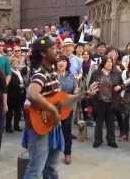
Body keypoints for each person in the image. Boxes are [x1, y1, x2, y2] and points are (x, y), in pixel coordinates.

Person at [22, 36, 97, 179]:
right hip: (41, 128)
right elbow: (32, 94)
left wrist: (84, 94)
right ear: (44, 53)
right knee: (35, 170)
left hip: (52, 126)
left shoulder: (53, 73)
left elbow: (61, 99)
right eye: (53, 48)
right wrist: (52, 110)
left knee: (50, 168)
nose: (57, 51)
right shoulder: (40, 74)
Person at [90, 57, 123, 148]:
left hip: (111, 101)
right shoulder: (96, 73)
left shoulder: (116, 74)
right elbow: (91, 85)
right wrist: (93, 88)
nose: (109, 64)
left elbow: (122, 84)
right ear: (103, 63)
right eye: (108, 62)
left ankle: (111, 140)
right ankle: (98, 140)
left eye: (111, 62)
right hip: (99, 100)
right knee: (99, 122)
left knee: (110, 122)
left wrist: (120, 87)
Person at [56, 55, 77, 165]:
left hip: (67, 108)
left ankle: (67, 153)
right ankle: (50, 152)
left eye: (63, 61)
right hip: (52, 108)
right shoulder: (52, 75)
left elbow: (75, 91)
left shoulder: (71, 76)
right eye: (59, 61)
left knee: (67, 131)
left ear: (67, 63)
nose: (61, 63)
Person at [6, 58, 25, 133]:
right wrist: (19, 85)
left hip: (19, 95)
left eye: (17, 63)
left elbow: (21, 81)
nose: (16, 64)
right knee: (10, 112)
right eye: (15, 63)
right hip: (11, 95)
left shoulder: (18, 72)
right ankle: (8, 127)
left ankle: (16, 126)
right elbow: (11, 83)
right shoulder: (10, 72)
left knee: (18, 111)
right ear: (11, 64)